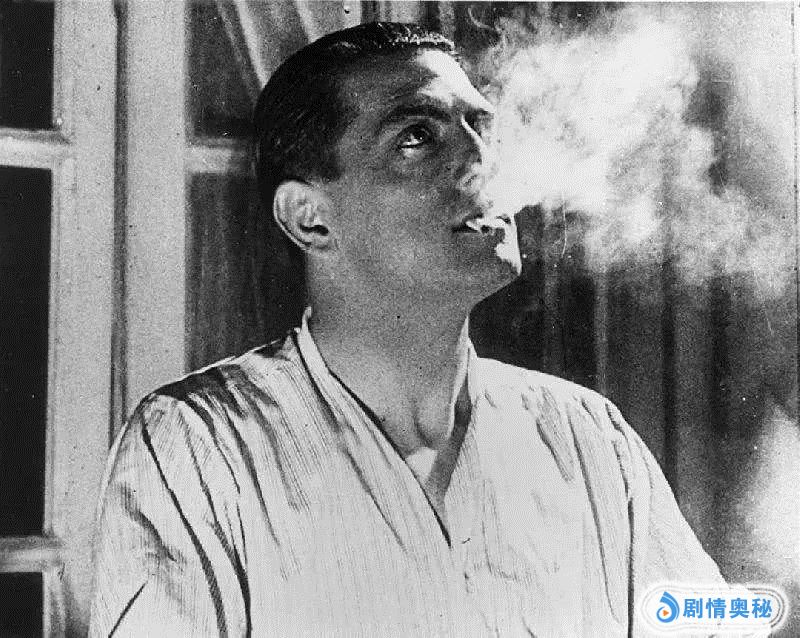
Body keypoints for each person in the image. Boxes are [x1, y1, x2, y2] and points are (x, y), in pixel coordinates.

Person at [90, 22, 726, 637]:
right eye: (417, 137)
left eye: (482, 128)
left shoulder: (587, 437)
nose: (480, 161)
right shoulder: (198, 446)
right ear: (310, 218)